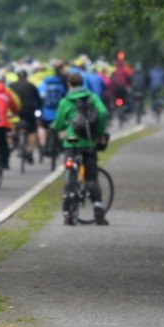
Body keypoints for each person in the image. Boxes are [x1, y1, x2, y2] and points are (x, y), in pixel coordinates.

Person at [52, 72, 110, 225]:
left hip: (71, 142)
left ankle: (67, 213)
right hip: (89, 142)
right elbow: (103, 112)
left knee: (70, 175)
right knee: (91, 177)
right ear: (82, 83)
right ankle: (98, 212)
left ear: (69, 84)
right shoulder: (92, 97)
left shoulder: (65, 101)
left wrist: (60, 128)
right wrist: (99, 132)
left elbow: (58, 123)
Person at [9, 69, 42, 163]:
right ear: (26, 77)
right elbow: (38, 100)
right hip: (29, 111)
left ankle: (14, 140)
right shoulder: (31, 86)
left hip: (16, 111)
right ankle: (30, 152)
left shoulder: (12, 86)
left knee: (13, 126)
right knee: (32, 131)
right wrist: (39, 109)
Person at [0, 76, 20, 170]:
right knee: (3, 142)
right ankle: (4, 163)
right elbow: (14, 107)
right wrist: (14, 114)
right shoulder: (8, 93)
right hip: (2, 122)